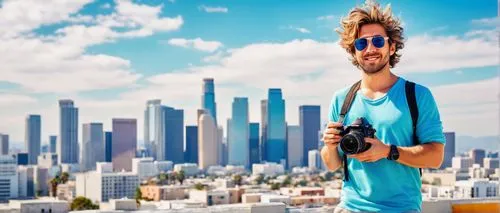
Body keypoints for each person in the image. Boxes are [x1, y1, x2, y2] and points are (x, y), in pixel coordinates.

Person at [320, 1, 446, 213]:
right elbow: (332, 164)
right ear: (354, 51)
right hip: (351, 207)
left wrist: (388, 151)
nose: (370, 49)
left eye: (378, 41)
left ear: (392, 46)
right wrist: (331, 145)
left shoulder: (417, 96)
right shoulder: (342, 98)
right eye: (361, 44)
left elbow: (435, 157)